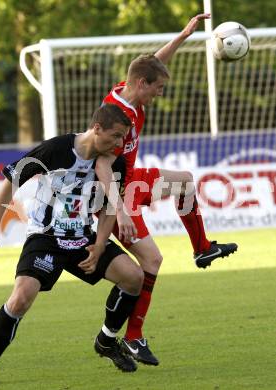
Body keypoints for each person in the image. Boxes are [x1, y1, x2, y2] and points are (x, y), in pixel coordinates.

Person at [0, 104, 145, 388]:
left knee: (134, 278)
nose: (120, 144)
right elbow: (13, 178)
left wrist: (98, 245)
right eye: (115, 136)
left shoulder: (114, 164)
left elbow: (109, 208)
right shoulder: (56, 149)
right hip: (45, 237)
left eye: (123, 138)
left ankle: (107, 341)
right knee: (21, 298)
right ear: (96, 129)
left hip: (83, 238)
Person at [95, 14, 238, 366]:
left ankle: (202, 248)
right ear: (142, 84)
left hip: (132, 180)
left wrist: (183, 36)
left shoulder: (125, 90)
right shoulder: (118, 116)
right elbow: (100, 167)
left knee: (185, 180)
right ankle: (132, 337)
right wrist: (122, 213)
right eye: (158, 87)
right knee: (152, 261)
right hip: (111, 194)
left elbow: (153, 64)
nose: (161, 93)